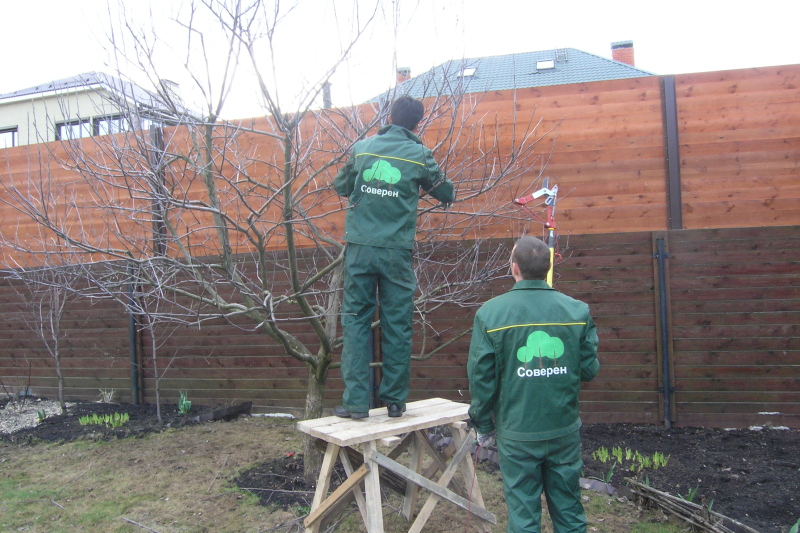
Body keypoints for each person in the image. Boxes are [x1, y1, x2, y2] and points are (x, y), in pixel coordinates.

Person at [467, 235, 600, 533]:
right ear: (548, 267)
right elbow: (589, 370)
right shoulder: (577, 311)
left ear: (514, 268)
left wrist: (482, 423)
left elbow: (480, 377)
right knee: (569, 510)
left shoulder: (490, 314)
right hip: (563, 428)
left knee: (524, 515)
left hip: (517, 433)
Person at [333, 96, 455, 419]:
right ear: (417, 124)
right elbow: (446, 192)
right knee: (397, 324)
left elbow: (340, 185)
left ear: (389, 116)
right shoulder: (419, 156)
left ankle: (356, 403)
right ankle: (395, 401)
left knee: (355, 321)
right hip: (396, 254)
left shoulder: (363, 148)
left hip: (359, 248)